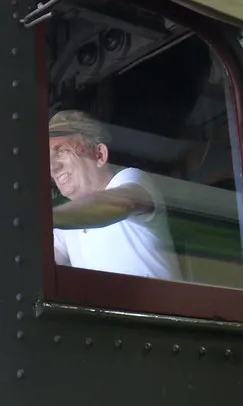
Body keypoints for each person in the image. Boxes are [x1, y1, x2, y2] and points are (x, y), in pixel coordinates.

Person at [48, 110, 181, 281]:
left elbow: (120, 204)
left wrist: (47, 218)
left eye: (61, 151)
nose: (53, 168)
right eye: (48, 159)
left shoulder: (130, 179)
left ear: (99, 155)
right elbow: (41, 263)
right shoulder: (66, 221)